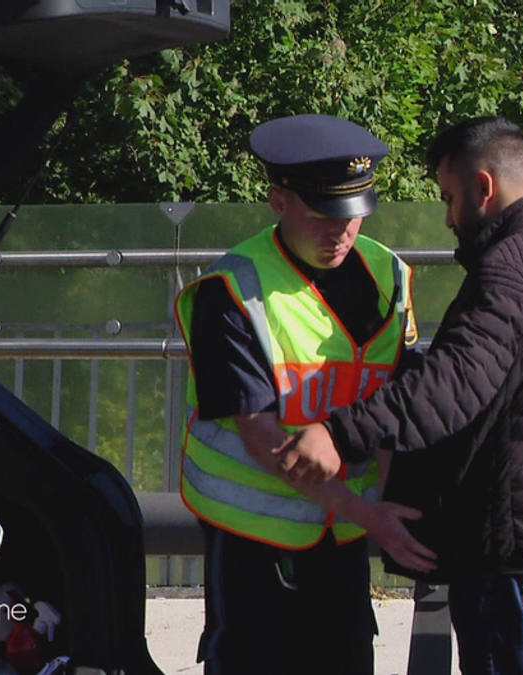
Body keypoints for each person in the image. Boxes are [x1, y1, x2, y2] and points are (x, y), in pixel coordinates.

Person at [277, 115, 523, 674]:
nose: (447, 216)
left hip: (515, 561)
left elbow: (452, 385)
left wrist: (338, 433)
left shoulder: (510, 266)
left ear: (483, 188)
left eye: (448, 197)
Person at [174, 113, 435, 675]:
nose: (340, 232)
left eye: (353, 215)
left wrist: (391, 509)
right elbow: (264, 437)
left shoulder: (388, 274)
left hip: (341, 537)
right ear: (278, 200)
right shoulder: (232, 290)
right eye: (323, 214)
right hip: (254, 539)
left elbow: (400, 400)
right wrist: (369, 513)